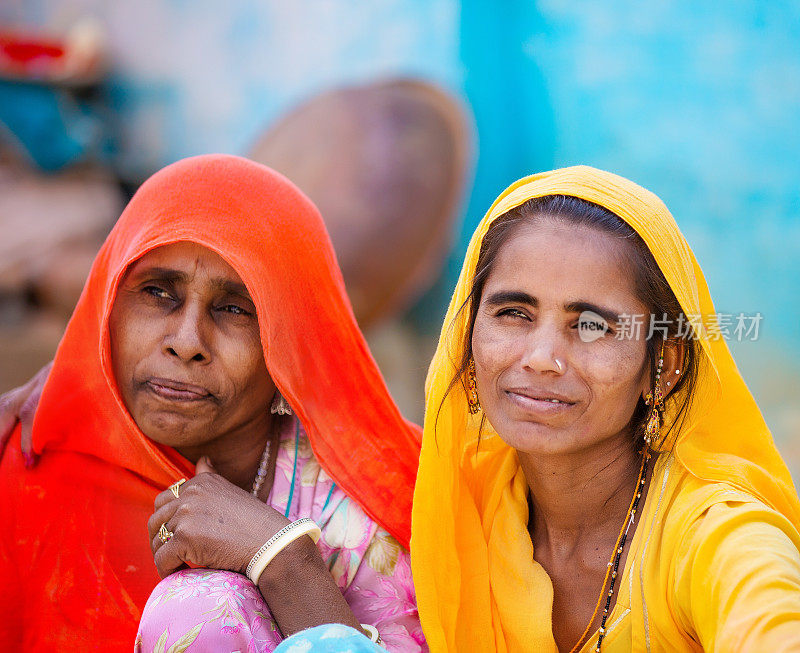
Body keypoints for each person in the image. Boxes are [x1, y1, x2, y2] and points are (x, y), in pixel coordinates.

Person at [0, 154, 424, 651]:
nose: (186, 341)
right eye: (158, 292)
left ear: (288, 344)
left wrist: (285, 562)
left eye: (234, 308)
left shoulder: (374, 510)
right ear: (108, 305)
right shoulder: (26, 466)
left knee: (205, 610)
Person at [411, 166, 800, 651]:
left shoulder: (715, 534)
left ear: (666, 362)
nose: (540, 358)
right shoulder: (456, 504)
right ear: (466, 334)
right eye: (514, 313)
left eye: (592, 326)